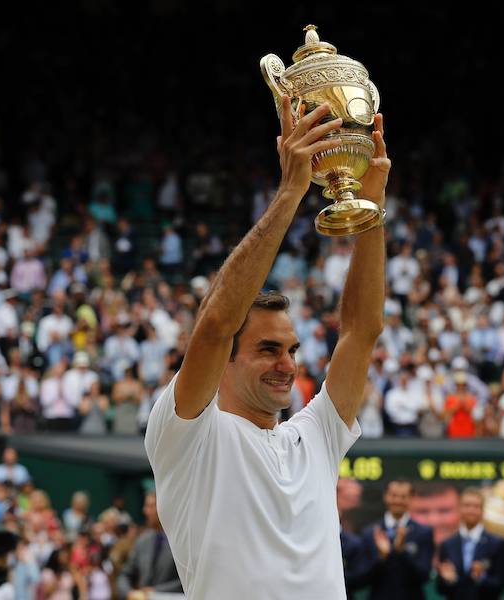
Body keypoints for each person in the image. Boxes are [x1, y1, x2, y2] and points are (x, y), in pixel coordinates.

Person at [144, 100, 390, 598]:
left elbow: (361, 331)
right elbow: (215, 324)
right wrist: (292, 191)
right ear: (225, 362)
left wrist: (368, 209)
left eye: (292, 349)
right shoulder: (190, 435)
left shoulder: (316, 434)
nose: (287, 365)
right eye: (267, 349)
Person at [360, 479, 434, 599]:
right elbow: (362, 579)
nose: (398, 501)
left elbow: (424, 576)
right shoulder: (370, 533)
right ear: (386, 496)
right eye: (394, 496)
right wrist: (382, 557)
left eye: (403, 496)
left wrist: (401, 552)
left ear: (411, 498)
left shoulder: (424, 533)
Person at [436, 487, 504, 599]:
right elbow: (440, 589)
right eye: (467, 505)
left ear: (482, 511)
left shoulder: (496, 544)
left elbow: (501, 586)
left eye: (476, 506)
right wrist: (448, 580)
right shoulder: (447, 544)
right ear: (459, 509)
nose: (471, 510)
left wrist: (481, 578)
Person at [115, 491, 182, 599]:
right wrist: (129, 593)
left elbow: (189, 580)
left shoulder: (180, 540)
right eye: (146, 506)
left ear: (164, 507)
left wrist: (155, 592)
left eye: (151, 506)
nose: (145, 511)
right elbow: (124, 575)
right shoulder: (142, 540)